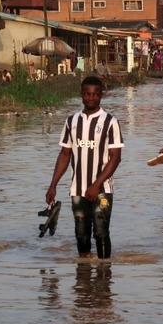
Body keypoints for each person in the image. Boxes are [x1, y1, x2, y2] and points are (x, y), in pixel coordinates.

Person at [46, 76, 124, 259]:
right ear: (81, 95)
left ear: (101, 96)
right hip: (78, 190)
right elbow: (65, 155)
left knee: (101, 230)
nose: (91, 98)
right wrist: (53, 185)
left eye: (95, 94)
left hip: (102, 190)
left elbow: (116, 158)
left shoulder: (110, 122)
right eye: (87, 94)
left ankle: (104, 276)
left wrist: (96, 185)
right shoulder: (71, 121)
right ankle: (84, 275)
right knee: (81, 231)